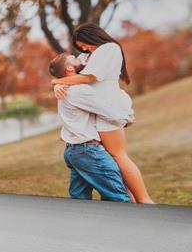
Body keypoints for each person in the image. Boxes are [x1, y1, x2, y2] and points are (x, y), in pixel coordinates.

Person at [50, 23, 154, 204]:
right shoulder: (87, 56)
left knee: (118, 156)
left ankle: (144, 200)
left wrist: (57, 81)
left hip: (106, 109)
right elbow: (72, 71)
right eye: (80, 48)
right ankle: (130, 201)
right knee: (111, 163)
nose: (83, 50)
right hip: (95, 112)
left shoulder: (108, 49)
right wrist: (60, 83)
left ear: (92, 37)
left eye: (83, 44)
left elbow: (89, 77)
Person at [51, 62, 131, 202]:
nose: (80, 61)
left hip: (73, 151)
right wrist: (127, 117)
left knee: (80, 201)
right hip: (88, 151)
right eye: (74, 59)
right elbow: (108, 110)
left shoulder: (65, 89)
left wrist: (56, 83)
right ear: (69, 68)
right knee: (119, 198)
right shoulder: (79, 90)